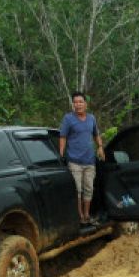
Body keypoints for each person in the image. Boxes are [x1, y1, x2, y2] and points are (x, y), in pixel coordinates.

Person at [58, 92, 106, 225]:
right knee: (77, 190)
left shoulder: (91, 118)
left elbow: (96, 135)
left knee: (89, 189)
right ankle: (79, 217)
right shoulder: (68, 119)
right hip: (74, 161)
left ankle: (87, 215)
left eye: (80, 102)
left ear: (85, 104)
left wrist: (100, 147)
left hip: (90, 161)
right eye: (75, 102)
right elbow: (63, 137)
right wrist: (61, 154)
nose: (78, 104)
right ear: (73, 104)